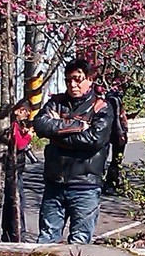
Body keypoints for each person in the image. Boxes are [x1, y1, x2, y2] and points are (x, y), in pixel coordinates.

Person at [33, 58, 114, 245]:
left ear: (90, 80)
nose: (73, 84)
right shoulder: (56, 103)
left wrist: (57, 132)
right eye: (68, 80)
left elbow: (93, 140)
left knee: (79, 244)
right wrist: (78, 125)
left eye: (78, 79)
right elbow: (40, 125)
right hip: (55, 184)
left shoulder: (101, 107)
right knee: (45, 241)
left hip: (85, 186)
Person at [1, 99, 35, 242]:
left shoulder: (14, 124)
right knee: (16, 200)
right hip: (12, 168)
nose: (26, 117)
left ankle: (10, 231)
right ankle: (16, 232)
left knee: (12, 200)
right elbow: (19, 144)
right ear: (21, 110)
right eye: (26, 114)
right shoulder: (12, 124)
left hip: (16, 168)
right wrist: (28, 136)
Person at [102, 85, 130, 195]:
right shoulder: (115, 100)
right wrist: (121, 133)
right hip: (115, 133)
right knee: (116, 159)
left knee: (105, 158)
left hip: (108, 133)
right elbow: (117, 118)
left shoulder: (107, 100)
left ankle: (109, 182)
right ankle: (111, 183)